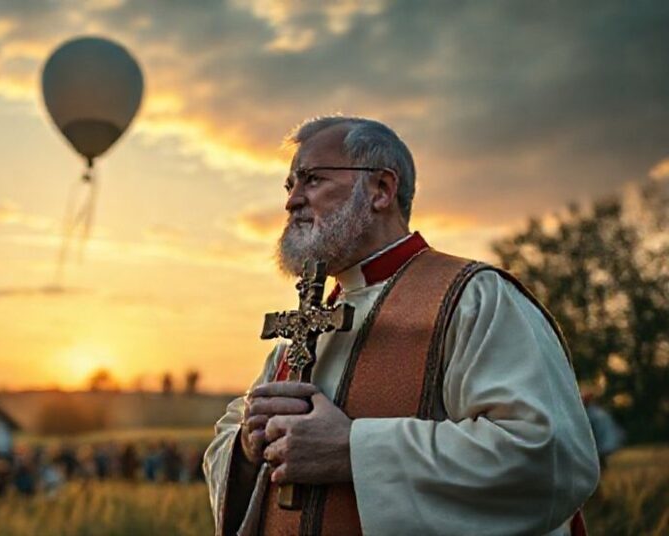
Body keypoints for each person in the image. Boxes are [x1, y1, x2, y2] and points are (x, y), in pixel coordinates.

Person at [203, 116, 601, 535]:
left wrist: (354, 450)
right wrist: (248, 447)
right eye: (290, 186)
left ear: (381, 190)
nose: (292, 201)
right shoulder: (305, 325)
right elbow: (231, 433)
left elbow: (548, 456)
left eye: (312, 179)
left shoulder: (472, 299)